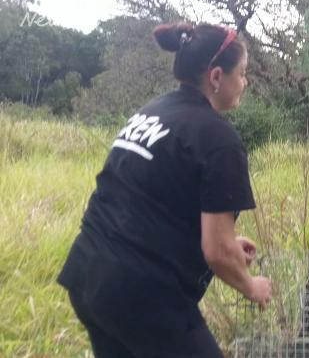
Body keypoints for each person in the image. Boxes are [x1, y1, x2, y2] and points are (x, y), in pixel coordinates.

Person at [57, 22, 272, 357]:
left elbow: (150, 199)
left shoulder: (154, 111)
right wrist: (251, 286)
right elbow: (216, 252)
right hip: (141, 295)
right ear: (216, 77)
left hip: (88, 276)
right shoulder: (219, 140)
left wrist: (228, 242)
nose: (244, 82)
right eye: (242, 73)